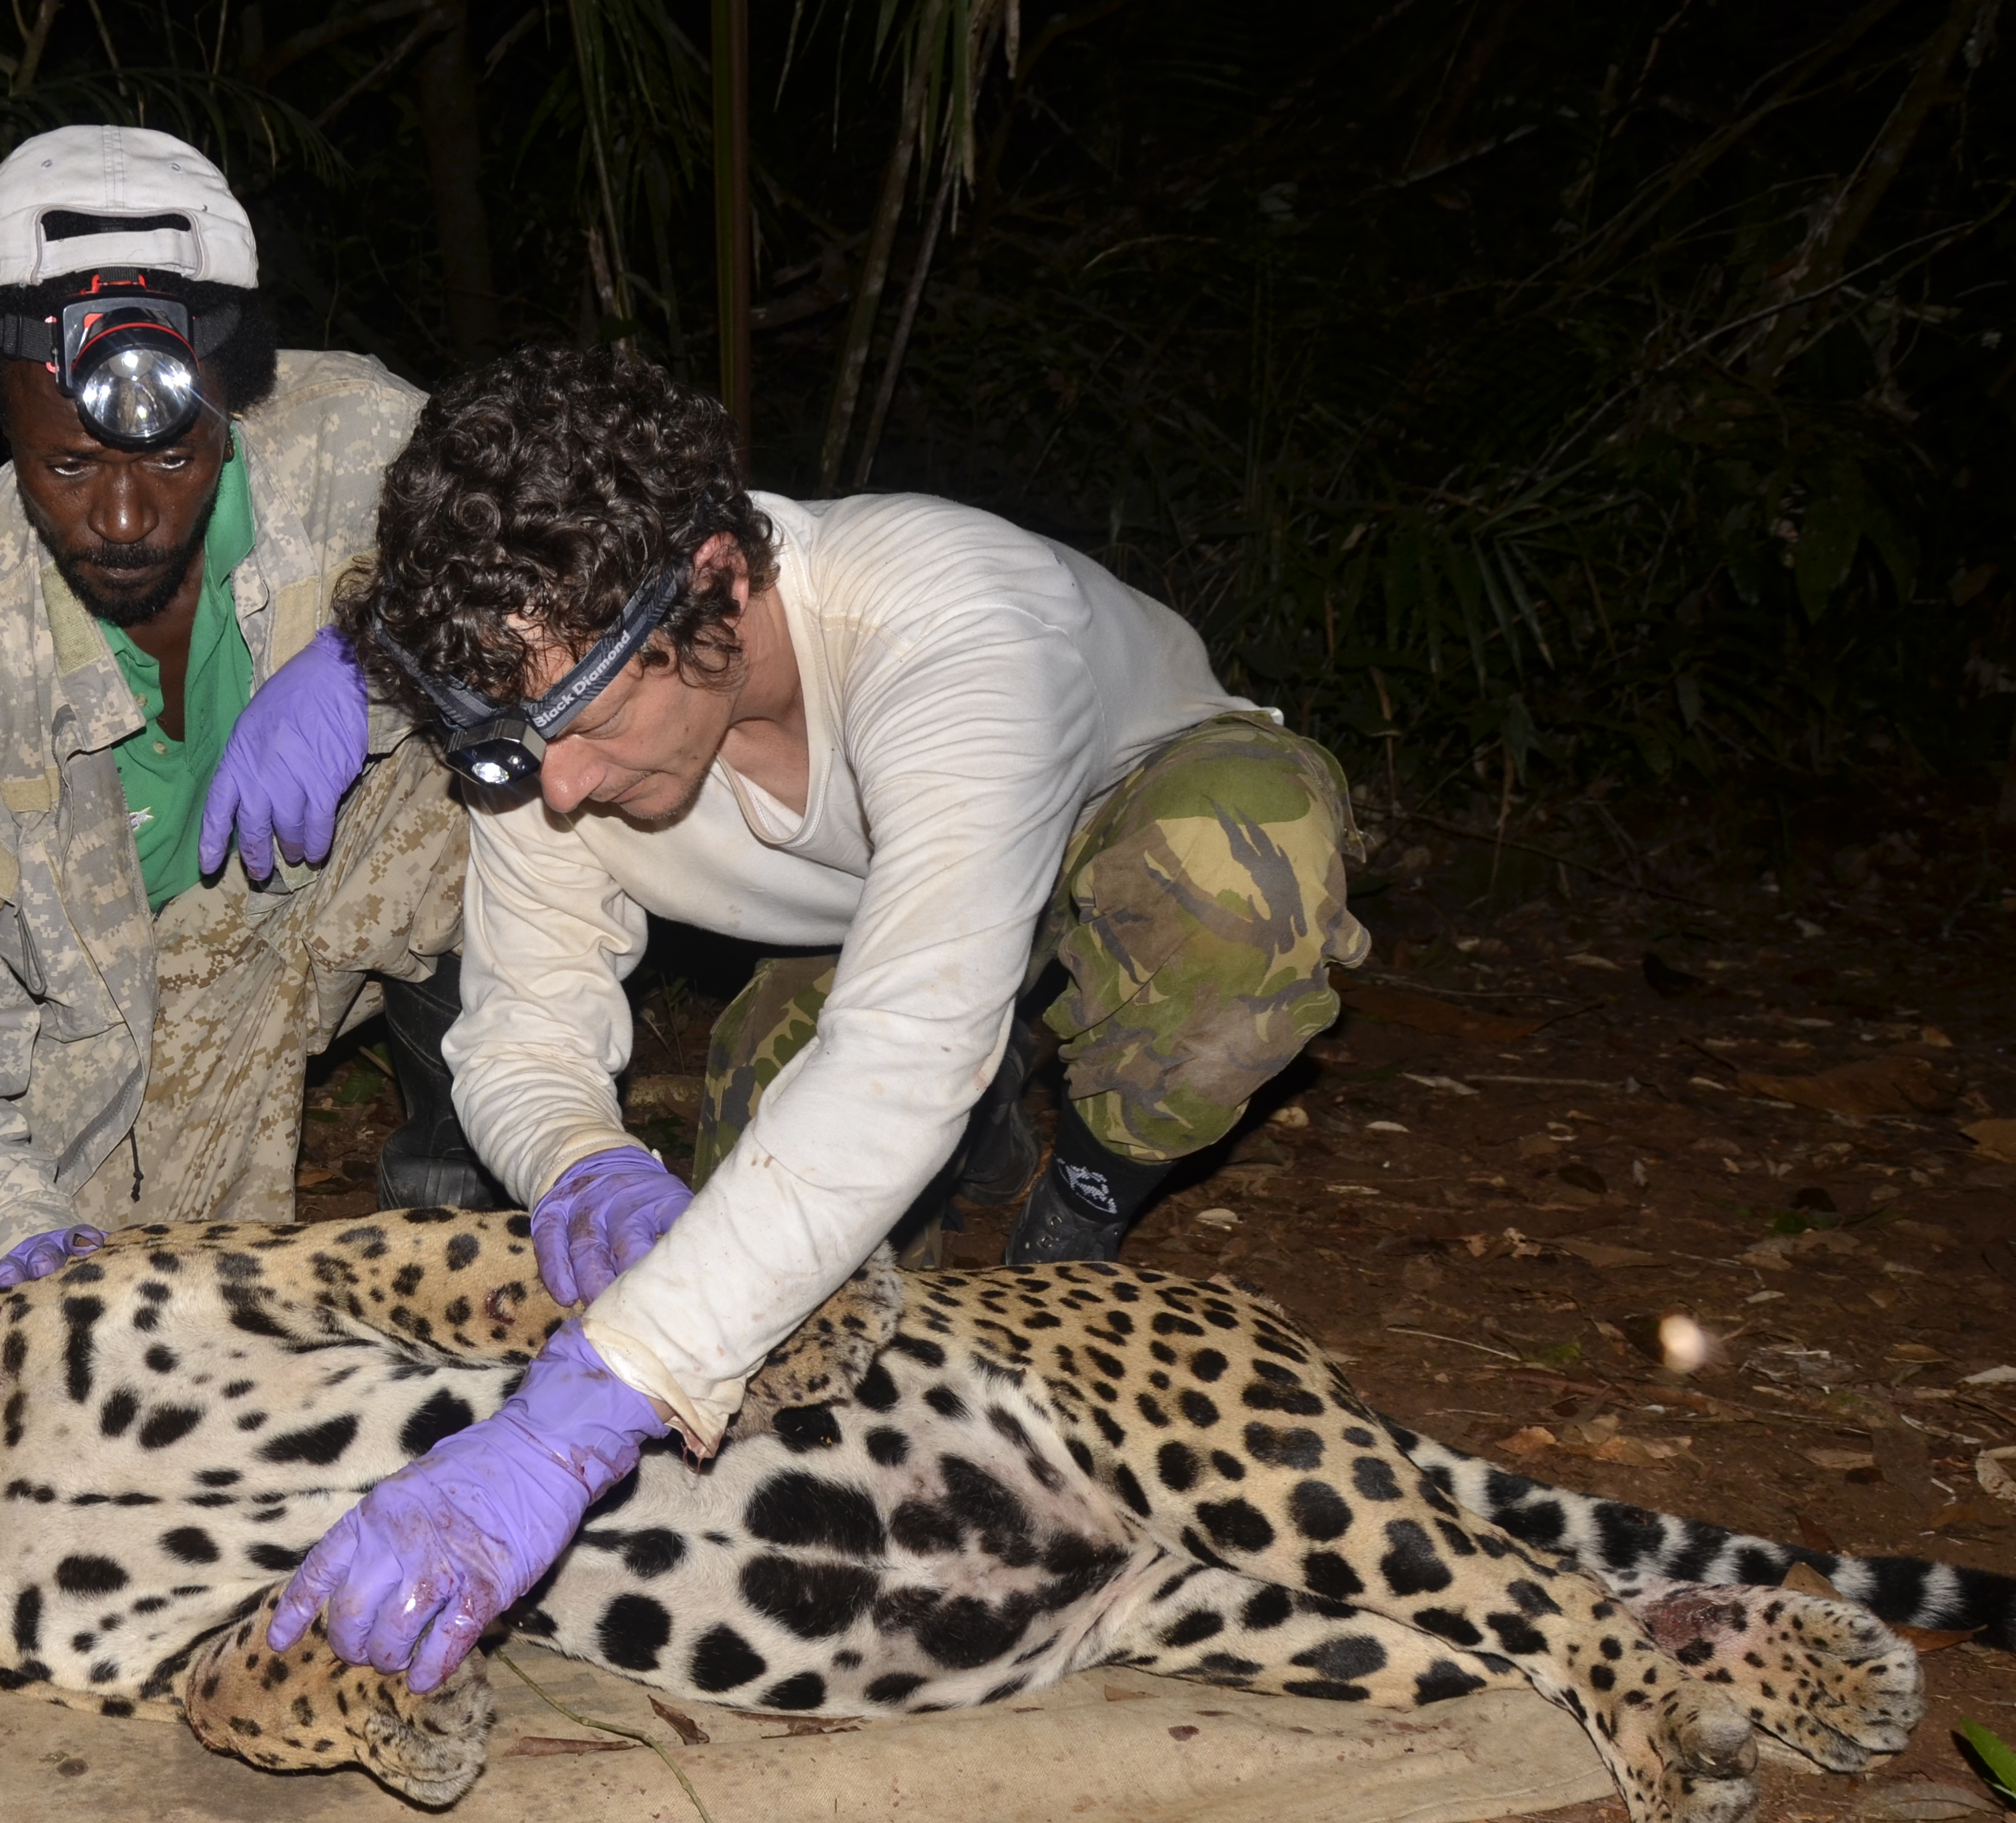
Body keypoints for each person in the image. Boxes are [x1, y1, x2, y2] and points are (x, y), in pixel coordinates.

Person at [270, 342, 1370, 1691]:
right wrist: (583, 1163)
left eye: (585, 722)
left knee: (1228, 896)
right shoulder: (548, 719)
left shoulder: (957, 622)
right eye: (513, 742)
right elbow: (519, 1032)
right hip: (884, 924)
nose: (555, 789)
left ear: (718, 582)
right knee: (775, 1287)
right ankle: (985, 1097)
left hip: (1131, 818)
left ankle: (1085, 1195)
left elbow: (901, 1056)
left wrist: (577, 1418)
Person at [0, 125, 501, 1306]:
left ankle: (473, 1208)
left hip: (343, 880)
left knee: (522, 760)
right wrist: (1, 1230)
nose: (124, 519)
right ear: (4, 422)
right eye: (68, 468)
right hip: (139, 1028)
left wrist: (373, 651)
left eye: (175, 459)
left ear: (231, 399)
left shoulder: (360, 442)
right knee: (161, 1321)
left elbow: (574, 583)